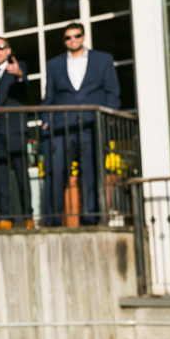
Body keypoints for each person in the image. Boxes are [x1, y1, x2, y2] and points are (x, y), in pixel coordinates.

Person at [41, 22, 121, 226]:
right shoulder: (54, 64)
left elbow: (112, 91)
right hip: (61, 126)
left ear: (83, 37)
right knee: (56, 172)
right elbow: (49, 95)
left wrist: (108, 117)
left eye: (76, 36)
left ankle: (90, 217)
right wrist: (45, 121)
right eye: (68, 37)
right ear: (64, 40)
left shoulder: (103, 60)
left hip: (92, 124)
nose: (73, 40)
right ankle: (52, 219)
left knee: (91, 171)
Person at [0, 37, 34, 229]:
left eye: (0, 47)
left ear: (8, 50)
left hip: (14, 129)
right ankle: (5, 217)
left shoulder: (16, 67)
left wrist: (19, 74)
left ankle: (28, 216)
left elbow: (25, 83)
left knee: (21, 175)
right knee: (0, 177)